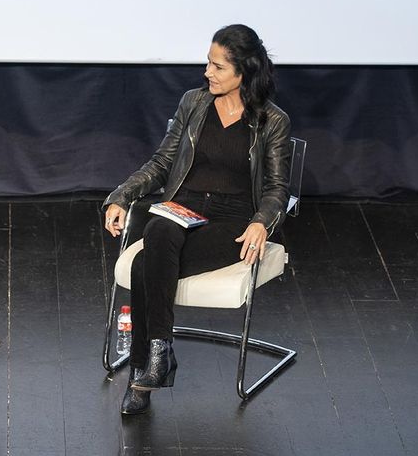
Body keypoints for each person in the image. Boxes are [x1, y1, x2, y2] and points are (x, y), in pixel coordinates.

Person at [103, 24, 291, 415]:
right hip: (184, 206)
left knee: (143, 266)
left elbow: (276, 189)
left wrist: (261, 221)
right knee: (158, 226)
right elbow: (162, 163)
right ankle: (158, 355)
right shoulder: (193, 102)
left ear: (245, 72)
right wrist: (122, 195)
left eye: (219, 67)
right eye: (208, 62)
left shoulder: (272, 121)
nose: (208, 72)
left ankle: (145, 370)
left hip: (233, 220)